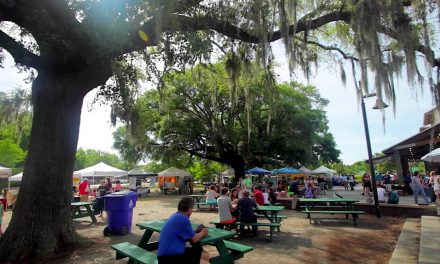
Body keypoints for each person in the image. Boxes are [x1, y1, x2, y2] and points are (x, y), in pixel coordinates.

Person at [157, 197, 209, 264]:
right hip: (171, 258)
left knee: (198, 251)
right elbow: (194, 239)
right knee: (199, 250)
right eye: (192, 208)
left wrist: (195, 232)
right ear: (189, 209)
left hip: (163, 256)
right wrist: (203, 233)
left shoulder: (175, 216)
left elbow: (184, 234)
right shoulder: (183, 219)